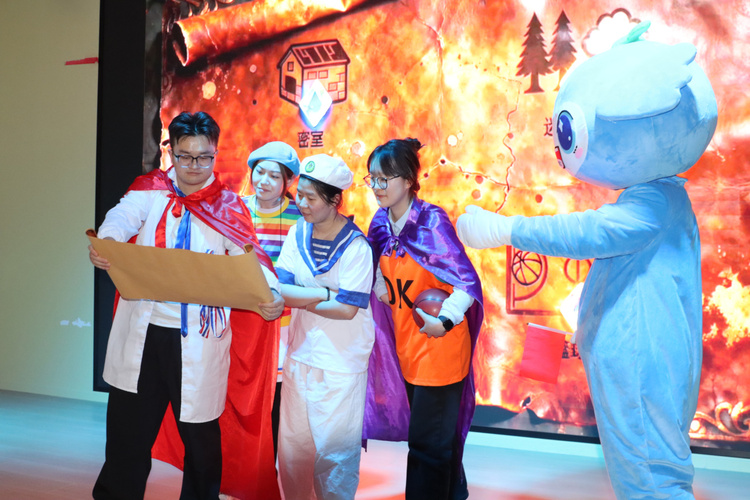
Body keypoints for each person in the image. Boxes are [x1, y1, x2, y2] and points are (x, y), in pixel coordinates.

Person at [456, 25, 717, 500]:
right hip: (637, 366)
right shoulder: (659, 199)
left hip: (640, 370)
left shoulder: (653, 203)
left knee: (652, 480)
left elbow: (588, 233)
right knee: (645, 473)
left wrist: (504, 229)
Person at [89, 111, 284, 500]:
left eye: (204, 157)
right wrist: (107, 244)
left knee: (201, 445)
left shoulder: (228, 206)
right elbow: (120, 219)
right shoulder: (150, 191)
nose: (195, 166)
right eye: (185, 156)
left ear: (215, 153)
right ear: (171, 152)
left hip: (197, 340)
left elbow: (251, 258)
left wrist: (272, 293)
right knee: (127, 436)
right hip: (144, 335)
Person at [362, 138, 484, 500]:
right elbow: (374, 268)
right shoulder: (380, 224)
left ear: (408, 180)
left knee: (426, 447)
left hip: (442, 349)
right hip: (410, 349)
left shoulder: (431, 221)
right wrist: (378, 285)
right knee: (438, 436)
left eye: (384, 179)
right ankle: (455, 492)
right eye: (372, 179)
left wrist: (444, 321)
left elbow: (465, 283)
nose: (377, 187)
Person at [275, 154, 375, 500]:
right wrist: (323, 293)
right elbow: (281, 289)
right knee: (293, 450)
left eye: (310, 198)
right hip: (300, 355)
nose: (301, 204)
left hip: (340, 362)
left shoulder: (357, 247)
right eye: (299, 195)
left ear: (335, 200)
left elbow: (346, 310)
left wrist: (304, 297)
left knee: (335, 456)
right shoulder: (297, 232)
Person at [240, 141, 302, 461]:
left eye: (274, 176)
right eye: (259, 172)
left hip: (283, 324)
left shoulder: (300, 217)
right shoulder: (235, 210)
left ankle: (268, 468)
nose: (263, 181)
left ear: (288, 181)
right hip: (240, 321)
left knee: (275, 398)